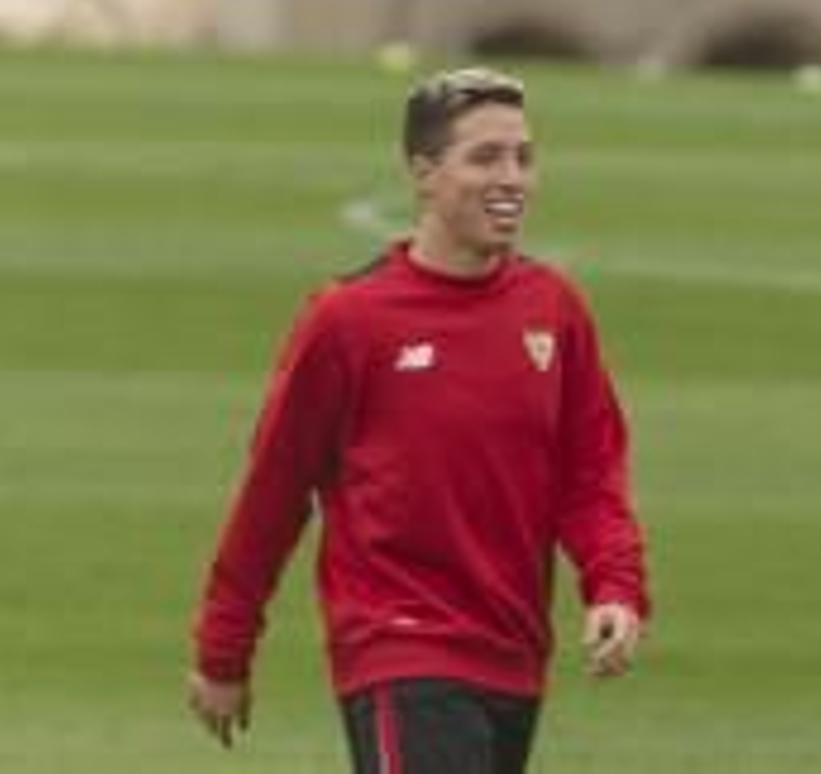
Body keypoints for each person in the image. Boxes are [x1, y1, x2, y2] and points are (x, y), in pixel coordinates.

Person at [187, 66, 649, 773]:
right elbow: (275, 489)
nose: (512, 178)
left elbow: (590, 475)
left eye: (523, 157)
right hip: (399, 647)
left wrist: (614, 587)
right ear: (424, 174)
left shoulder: (554, 310)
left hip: (515, 656)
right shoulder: (349, 321)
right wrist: (224, 646)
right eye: (485, 158)